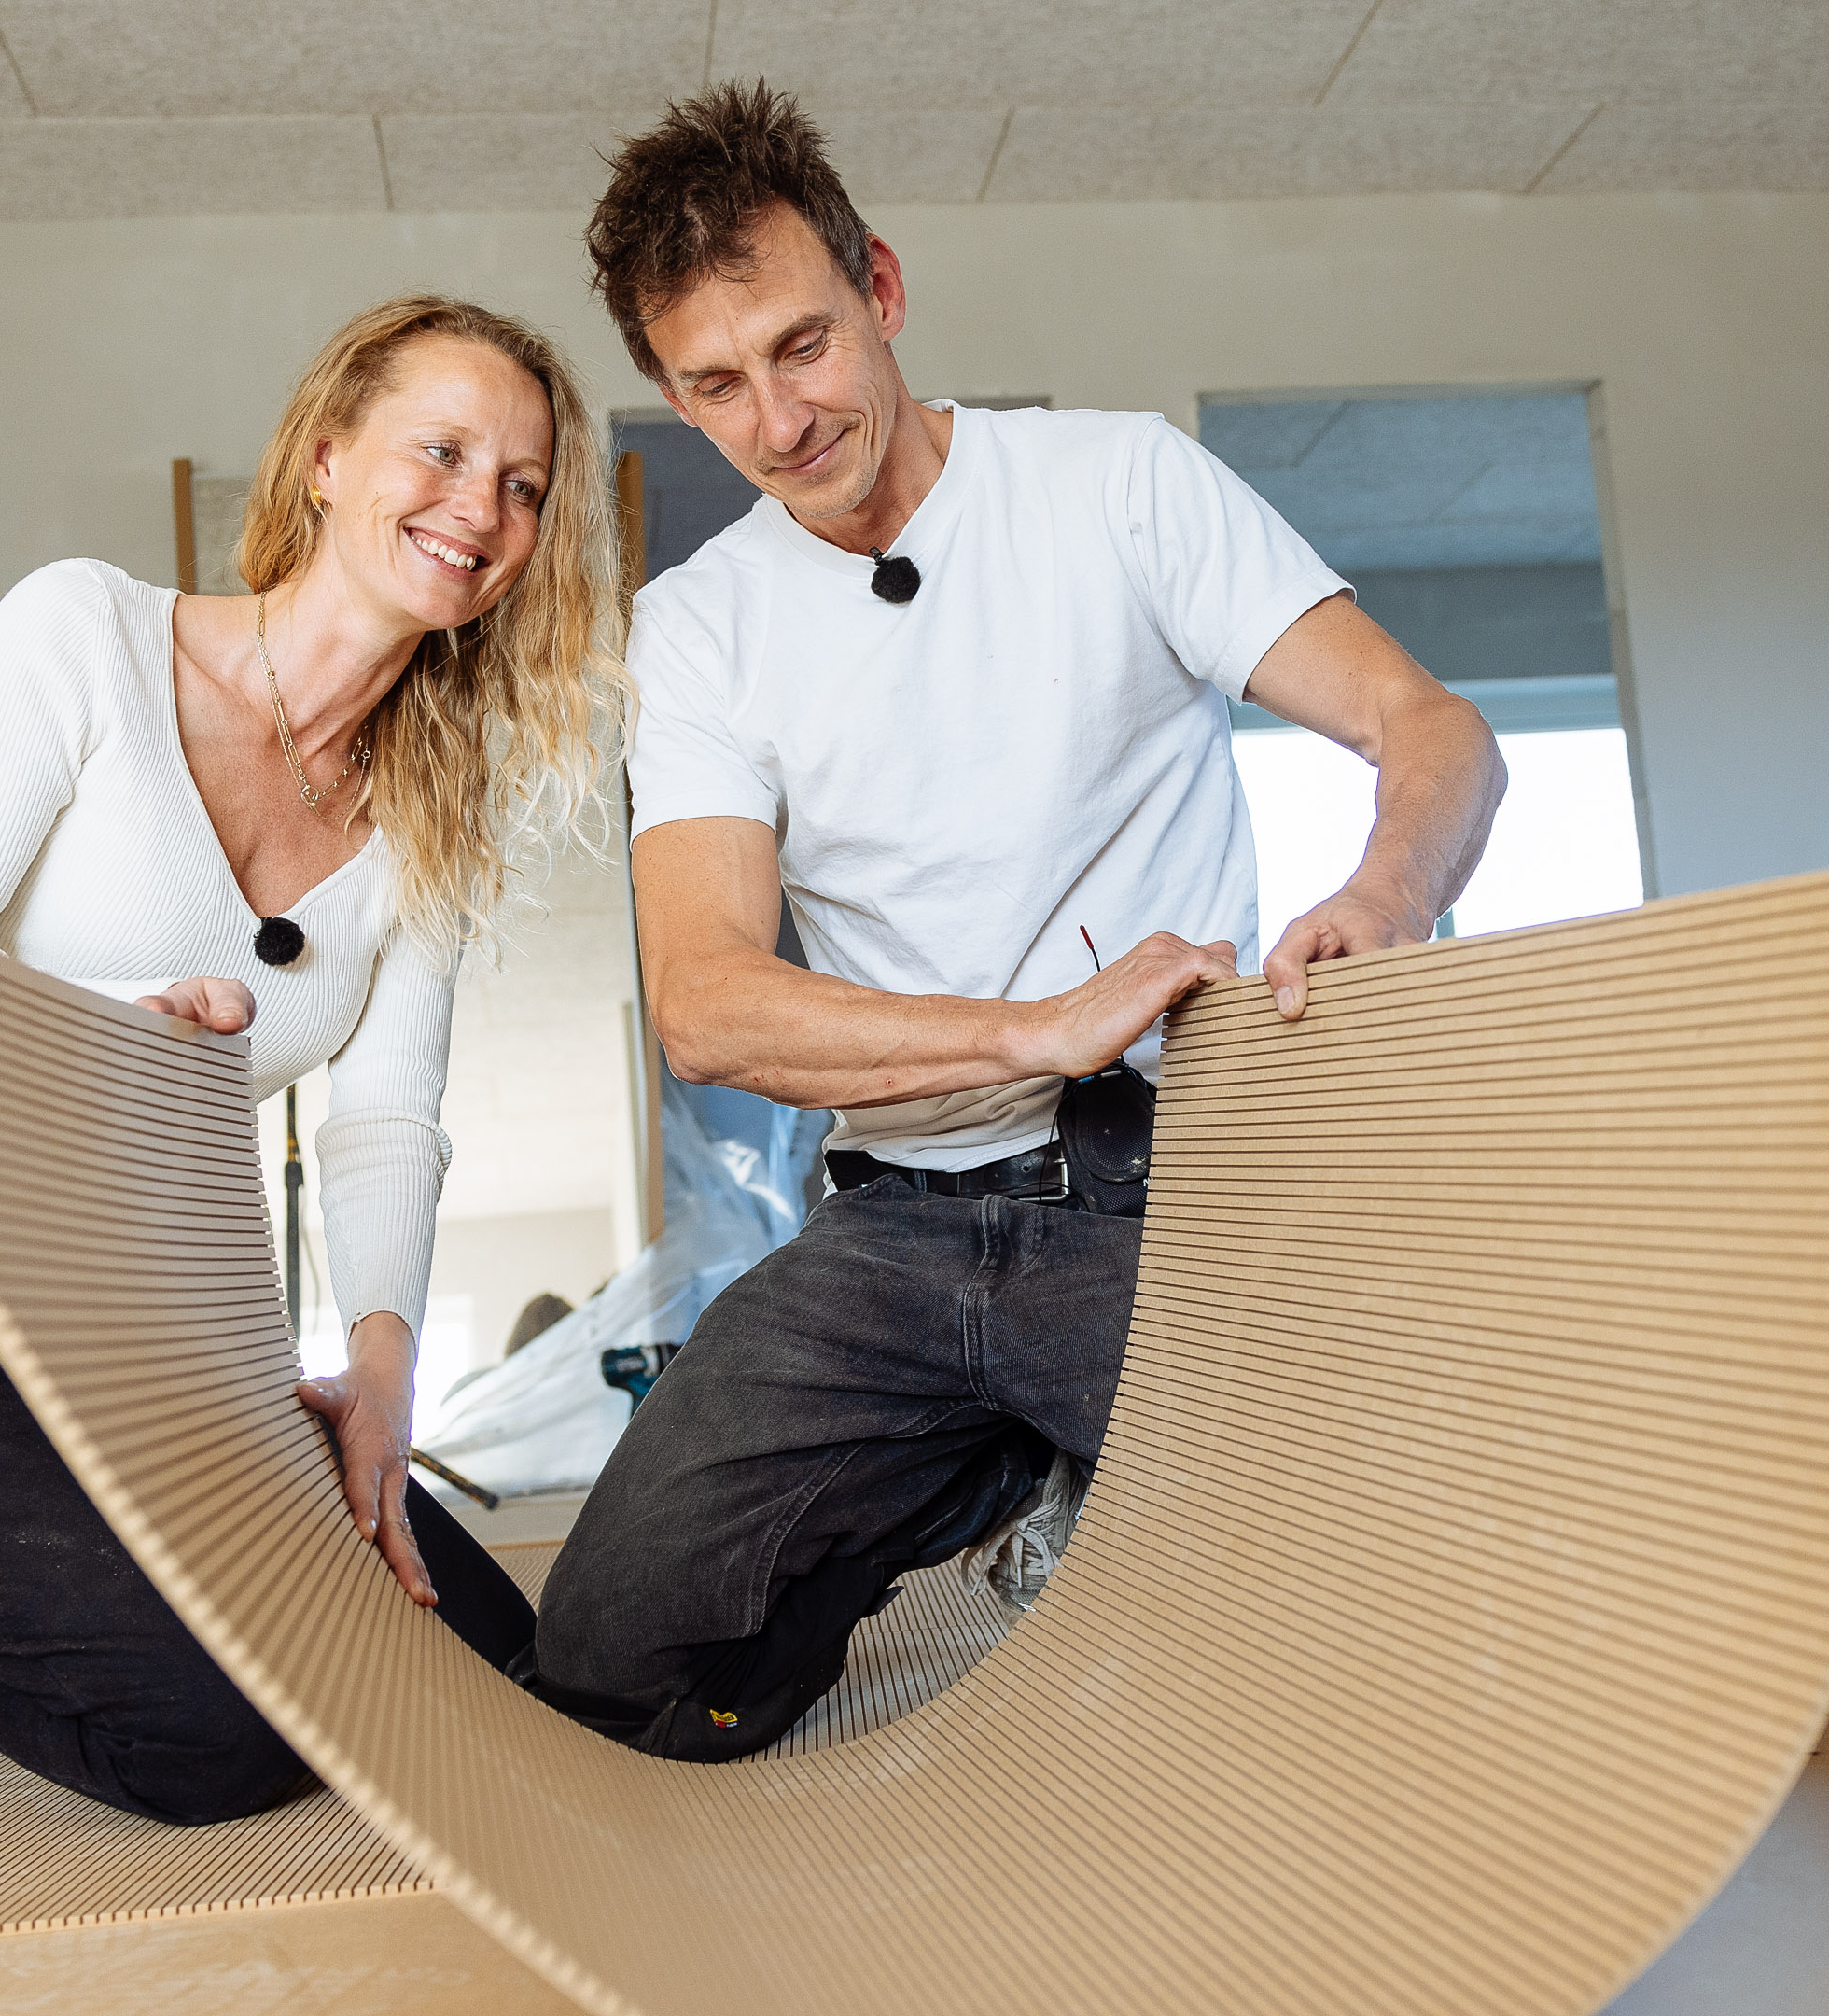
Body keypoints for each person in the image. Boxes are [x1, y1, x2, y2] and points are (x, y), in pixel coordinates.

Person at [523, 87, 1508, 1760]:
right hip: (892, 1238)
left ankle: (1081, 1466)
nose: (779, 419)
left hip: (1157, 1204)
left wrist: (1385, 896)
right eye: (717, 383)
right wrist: (1028, 1031)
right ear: (675, 395)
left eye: (802, 344)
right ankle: (1005, 1460)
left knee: (1409, 1639)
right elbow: (704, 1002)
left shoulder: (1115, 485)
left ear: (882, 289)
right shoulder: (697, 629)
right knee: (614, 1668)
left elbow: (1436, 733)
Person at [0, 296, 629, 1832]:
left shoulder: (435, 807)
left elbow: (383, 1116)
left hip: (152, 1328)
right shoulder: (87, 635)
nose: (480, 509)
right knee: (222, 1742)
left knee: (482, 1664)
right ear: (325, 457)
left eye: (522, 485)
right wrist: (111, 1030)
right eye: (441, 451)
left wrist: (381, 1377)